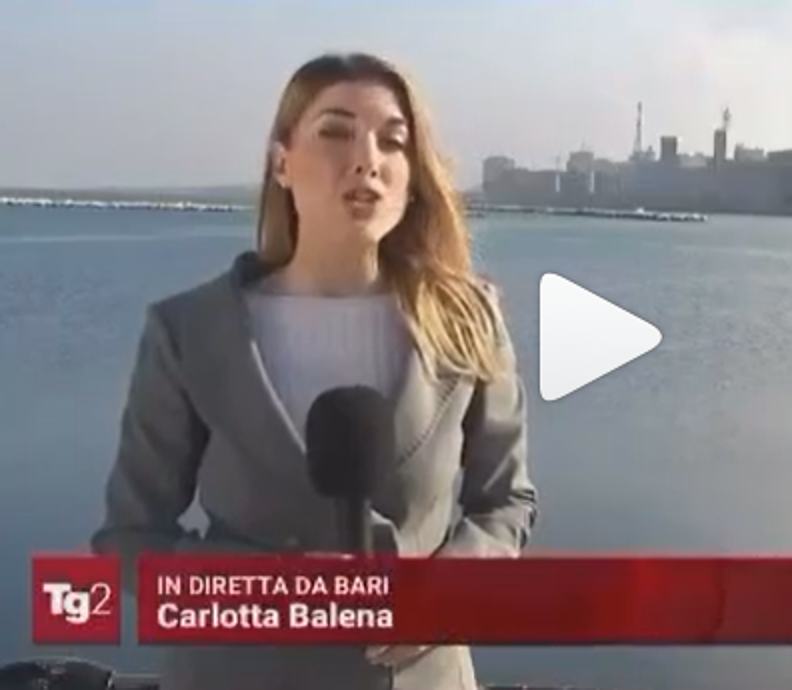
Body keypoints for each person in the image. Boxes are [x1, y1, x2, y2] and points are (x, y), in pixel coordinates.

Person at [91, 52, 538, 690]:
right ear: (282, 162)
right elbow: (129, 540)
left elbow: (505, 504)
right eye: (335, 132)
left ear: (413, 176)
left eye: (393, 141)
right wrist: (273, 598)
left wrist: (446, 593)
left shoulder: (469, 319)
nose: (366, 160)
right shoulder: (187, 331)